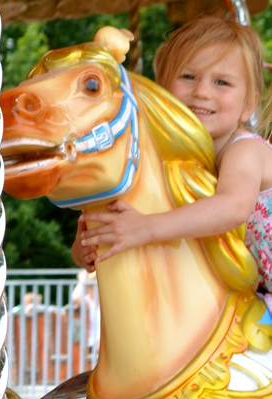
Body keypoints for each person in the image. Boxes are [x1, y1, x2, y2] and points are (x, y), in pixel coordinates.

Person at [72, 16, 272, 310]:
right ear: (163, 90)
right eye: (188, 77)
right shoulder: (173, 161)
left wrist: (146, 228)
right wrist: (87, 247)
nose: (202, 91)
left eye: (222, 82)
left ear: (248, 105)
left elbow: (233, 208)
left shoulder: (245, 150)